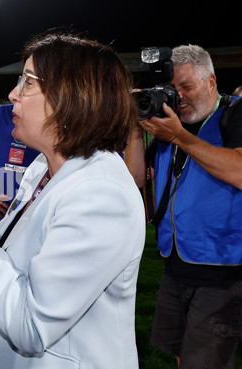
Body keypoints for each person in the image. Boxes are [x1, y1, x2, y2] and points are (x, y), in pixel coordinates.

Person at [0, 33, 145, 368]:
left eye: (27, 82)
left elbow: (32, 326)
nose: (12, 94)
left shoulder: (102, 193)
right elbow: (14, 254)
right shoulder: (45, 165)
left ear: (72, 96)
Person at [125, 44, 242, 369]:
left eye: (186, 87)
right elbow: (134, 179)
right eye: (170, 89)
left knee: (205, 361)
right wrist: (135, 130)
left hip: (223, 269)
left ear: (212, 81)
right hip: (175, 263)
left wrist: (180, 137)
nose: (179, 97)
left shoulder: (234, 112)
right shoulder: (166, 124)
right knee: (183, 354)